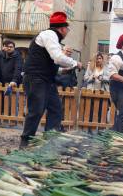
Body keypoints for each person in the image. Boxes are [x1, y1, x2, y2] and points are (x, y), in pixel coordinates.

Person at [20, 11, 82, 147]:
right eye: (67, 29)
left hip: (46, 80)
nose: (67, 32)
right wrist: (75, 63)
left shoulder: (52, 37)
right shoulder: (49, 34)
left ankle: (50, 141)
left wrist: (61, 70)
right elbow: (58, 58)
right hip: (36, 79)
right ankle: (25, 142)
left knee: (55, 109)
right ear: (62, 28)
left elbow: (48, 63)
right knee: (36, 111)